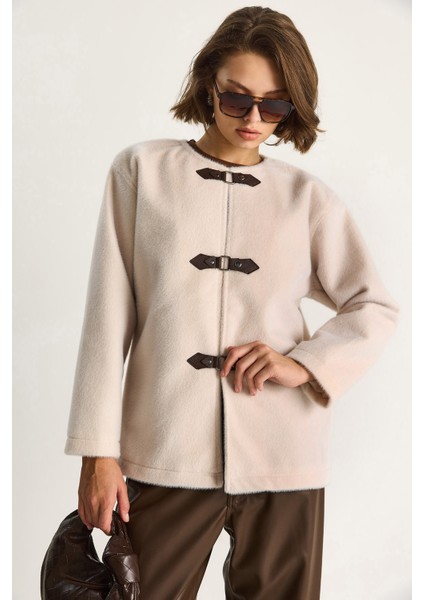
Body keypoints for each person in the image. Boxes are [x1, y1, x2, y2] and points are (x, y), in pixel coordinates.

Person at [65, 7, 399, 599]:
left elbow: (373, 306)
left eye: (274, 106)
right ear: (208, 85)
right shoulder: (141, 172)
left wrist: (304, 364)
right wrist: (97, 454)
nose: (253, 119)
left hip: (283, 454)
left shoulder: (307, 199)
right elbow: (105, 320)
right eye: (237, 98)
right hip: (165, 447)